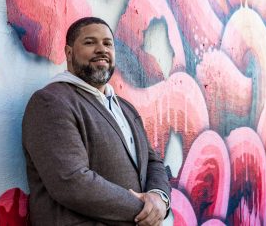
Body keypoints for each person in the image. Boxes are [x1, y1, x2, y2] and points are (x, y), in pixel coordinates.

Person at [22, 17, 171, 225]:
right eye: (90, 42)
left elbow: (153, 162)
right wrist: (145, 210)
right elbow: (71, 182)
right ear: (69, 52)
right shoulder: (51, 101)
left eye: (107, 43)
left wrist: (159, 197)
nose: (101, 49)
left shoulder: (125, 108)